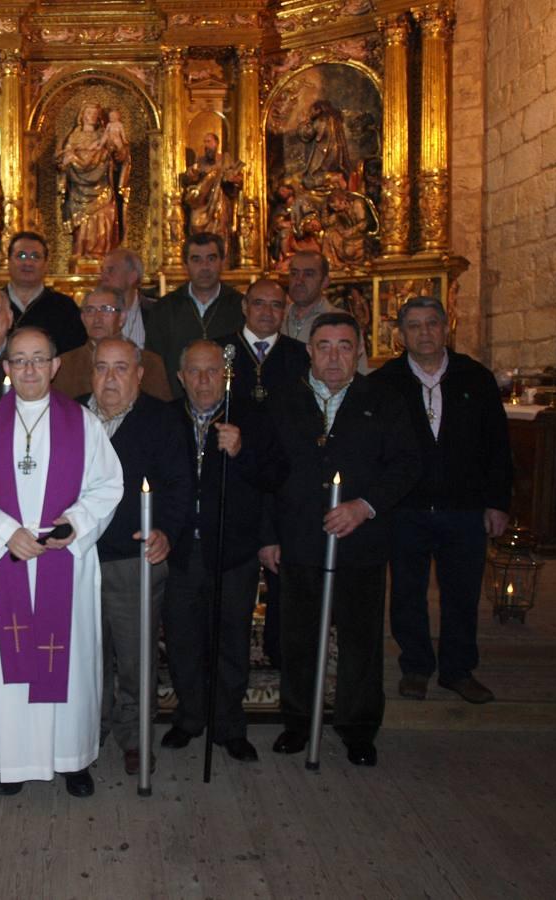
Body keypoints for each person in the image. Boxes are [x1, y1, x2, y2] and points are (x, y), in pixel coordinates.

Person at [0, 327, 123, 797]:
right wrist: (8, 534)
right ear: (5, 369)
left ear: (55, 366)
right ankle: (11, 760)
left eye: (38, 359)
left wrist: (73, 525)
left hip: (60, 561)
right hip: (5, 563)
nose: (28, 369)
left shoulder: (83, 423)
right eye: (19, 360)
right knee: (3, 665)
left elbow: (108, 486)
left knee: (70, 663)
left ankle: (72, 758)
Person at [264, 313, 420, 767]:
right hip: (297, 539)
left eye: (345, 346)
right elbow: (267, 475)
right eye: (325, 346)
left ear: (359, 352)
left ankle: (357, 727)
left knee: (360, 641)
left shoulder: (384, 400)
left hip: (361, 541)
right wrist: (268, 537)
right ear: (309, 351)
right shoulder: (282, 399)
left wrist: (364, 505)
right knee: (297, 637)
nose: (334, 355)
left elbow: (406, 464)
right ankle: (297, 721)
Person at [370, 296, 512, 705]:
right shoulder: (386, 382)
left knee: (462, 593)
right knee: (407, 593)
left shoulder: (475, 378)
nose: (424, 332)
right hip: (406, 508)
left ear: (445, 327)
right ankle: (415, 666)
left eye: (431, 323)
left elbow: (497, 447)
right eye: (414, 326)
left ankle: (458, 669)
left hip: (463, 508)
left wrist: (497, 502)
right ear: (401, 334)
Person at [161, 340, 281, 762]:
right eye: (194, 371)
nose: (204, 380)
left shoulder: (249, 416)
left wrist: (241, 451)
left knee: (230, 639)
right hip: (181, 549)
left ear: (226, 375)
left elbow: (275, 476)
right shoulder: (166, 418)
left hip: (232, 548)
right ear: (181, 377)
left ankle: (229, 724)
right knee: (182, 639)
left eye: (212, 371)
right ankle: (191, 716)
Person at [84, 338, 190, 775]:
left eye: (121, 368)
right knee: (86, 658)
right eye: (102, 368)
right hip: (79, 561)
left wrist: (165, 530)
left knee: (133, 659)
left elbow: (180, 485)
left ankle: (134, 735)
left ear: (139, 374)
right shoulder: (71, 415)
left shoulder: (162, 419)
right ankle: (87, 733)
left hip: (133, 560)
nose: (110, 378)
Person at [213, 278, 310, 669]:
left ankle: (280, 652)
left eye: (275, 305)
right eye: (259, 303)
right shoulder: (221, 350)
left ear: (284, 310)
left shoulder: (300, 355)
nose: (267, 312)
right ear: (244, 307)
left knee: (281, 574)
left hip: (283, 475)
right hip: (231, 475)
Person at [146, 233, 245, 398]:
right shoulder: (164, 308)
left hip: (231, 406)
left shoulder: (240, 306)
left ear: (222, 262)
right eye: (196, 259)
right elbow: (154, 365)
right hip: (176, 408)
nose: (205, 267)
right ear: (186, 265)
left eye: (211, 259)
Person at [52, 287, 172, 402]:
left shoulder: (150, 363)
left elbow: (162, 414)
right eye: (90, 310)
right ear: (83, 318)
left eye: (106, 310)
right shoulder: (65, 365)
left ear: (122, 318)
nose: (97, 318)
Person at [55, 102, 126, 259]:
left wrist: (118, 145)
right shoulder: (73, 136)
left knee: (103, 217)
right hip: (79, 189)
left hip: (102, 186)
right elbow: (61, 161)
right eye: (89, 113)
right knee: (83, 222)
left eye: (95, 114)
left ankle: (102, 254)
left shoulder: (104, 134)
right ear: (82, 115)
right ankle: (81, 253)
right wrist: (71, 159)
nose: (92, 116)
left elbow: (120, 157)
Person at [280, 250, 370, 373]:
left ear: (325, 282)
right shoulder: (277, 319)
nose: (299, 281)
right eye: (294, 273)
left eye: (308, 274)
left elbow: (359, 373)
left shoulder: (343, 322)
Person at [3, 231, 86, 355]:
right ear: (9, 261)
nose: (28, 263)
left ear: (46, 264)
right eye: (21, 256)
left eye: (36, 257)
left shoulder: (64, 307)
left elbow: (75, 355)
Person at [99, 247, 152, 350]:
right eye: (102, 271)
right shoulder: (93, 313)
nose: (103, 276)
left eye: (110, 270)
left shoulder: (155, 312)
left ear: (132, 277)